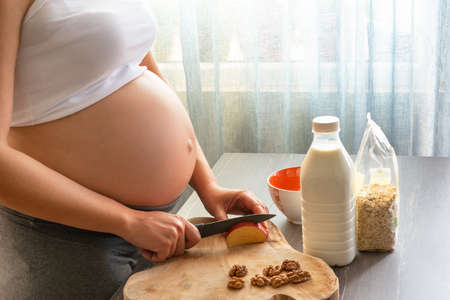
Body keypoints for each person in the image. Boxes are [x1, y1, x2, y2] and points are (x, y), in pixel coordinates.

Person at [0, 0, 268, 299]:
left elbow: (140, 69)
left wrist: (207, 185)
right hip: (72, 239)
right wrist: (128, 221)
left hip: (160, 230)